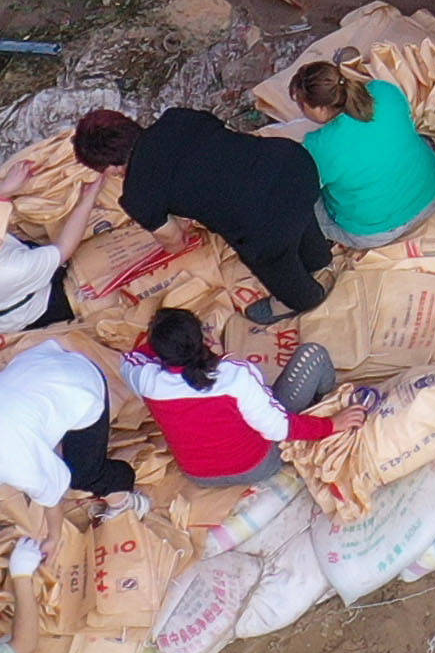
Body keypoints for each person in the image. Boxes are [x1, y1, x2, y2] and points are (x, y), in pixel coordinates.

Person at [76, 103, 329, 321]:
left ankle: (303, 298)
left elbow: (175, 241)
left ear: (109, 167)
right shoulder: (176, 117)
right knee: (296, 210)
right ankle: (318, 258)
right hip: (291, 164)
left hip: (261, 218)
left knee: (272, 258)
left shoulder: (137, 195)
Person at [125, 309, 335, 483]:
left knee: (258, 403)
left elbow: (130, 359)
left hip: (198, 475)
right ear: (203, 339)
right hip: (256, 466)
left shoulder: (147, 381)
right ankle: (329, 402)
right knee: (312, 355)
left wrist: (165, 342)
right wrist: (330, 425)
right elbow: (278, 429)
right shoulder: (235, 375)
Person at [291, 59, 435, 246]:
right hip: (432, 196)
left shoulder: (315, 147)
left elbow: (303, 190)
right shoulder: (383, 90)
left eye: (302, 105)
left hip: (376, 232)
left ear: (321, 108)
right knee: (416, 140)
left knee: (305, 200)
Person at [0, 336, 130, 504]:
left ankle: (126, 492)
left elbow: (55, 495)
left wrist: (53, 532)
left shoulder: (15, 465)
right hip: (37, 363)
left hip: (82, 383)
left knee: (82, 475)